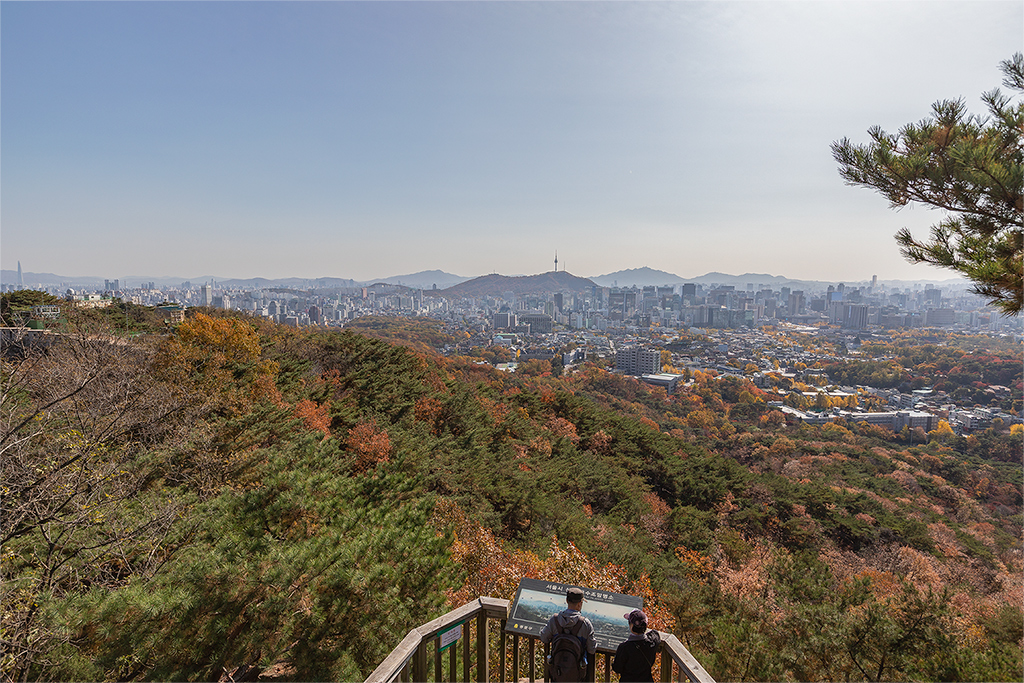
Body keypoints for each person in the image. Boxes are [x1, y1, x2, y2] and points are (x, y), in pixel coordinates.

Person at [539, 587, 597, 682]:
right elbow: (592, 649)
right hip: (577, 674)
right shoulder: (585, 624)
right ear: (580, 604)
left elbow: (544, 638)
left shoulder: (555, 620)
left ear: (566, 601)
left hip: (558, 673)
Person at [612, 609, 661, 683]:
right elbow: (655, 633)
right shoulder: (651, 642)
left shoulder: (624, 647)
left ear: (631, 626)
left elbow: (617, 668)